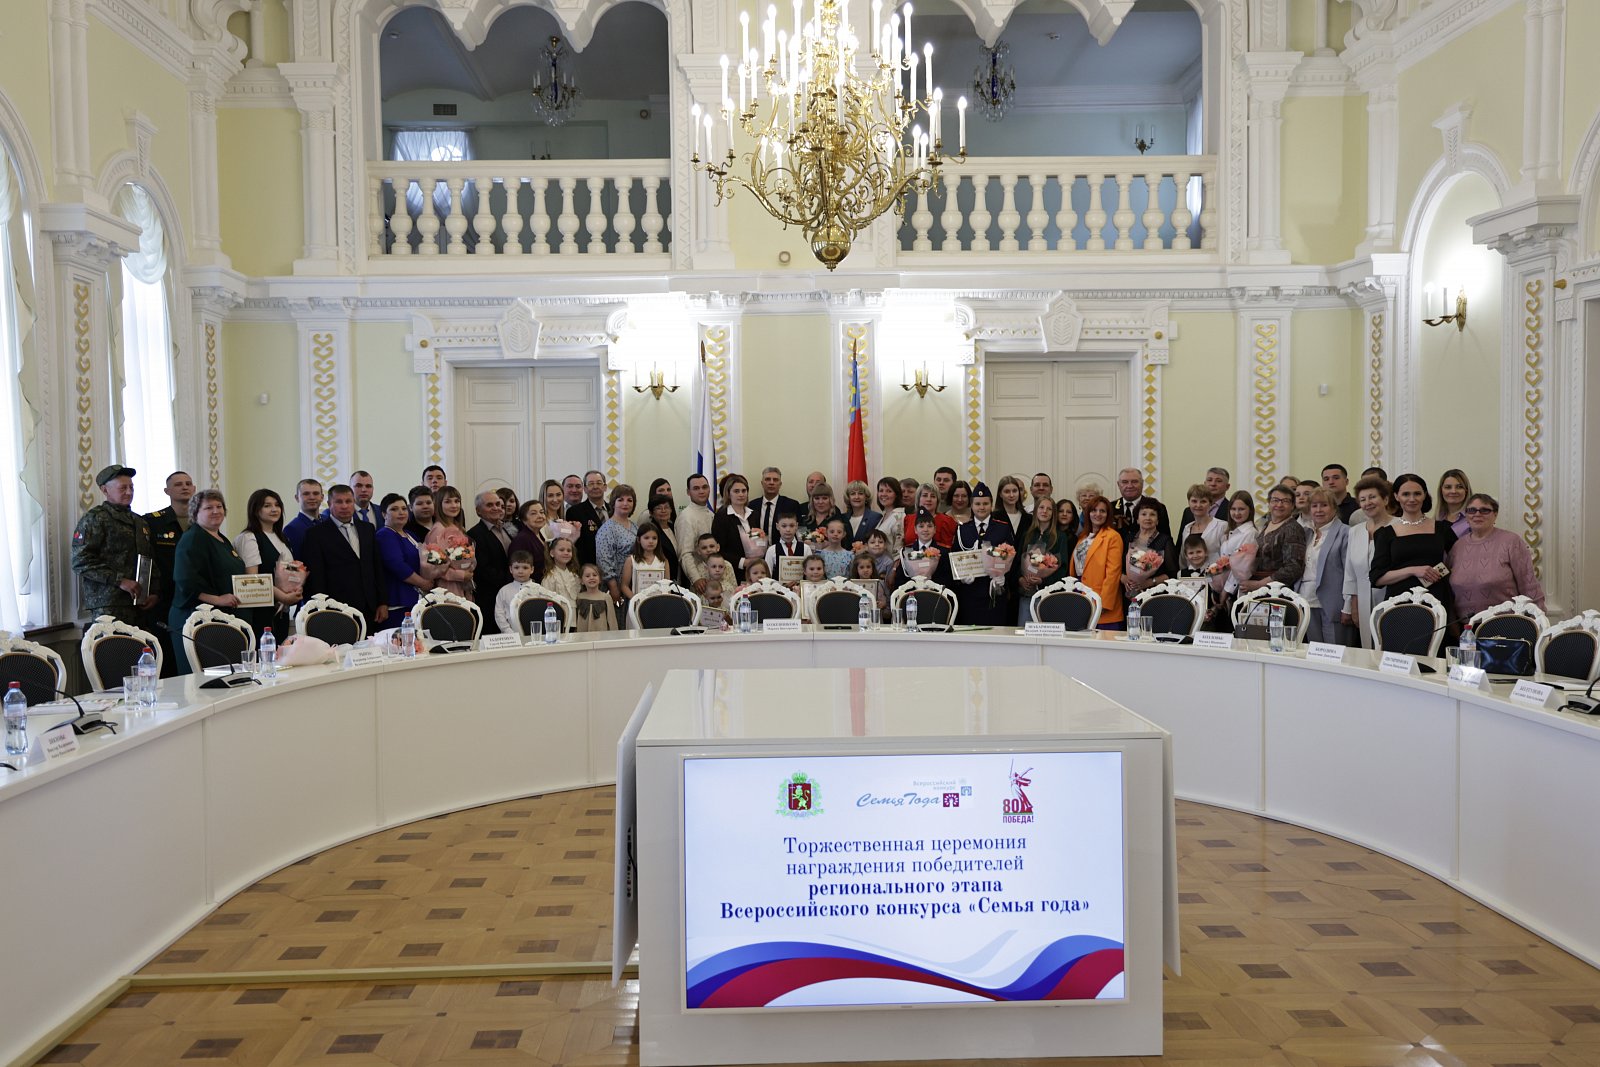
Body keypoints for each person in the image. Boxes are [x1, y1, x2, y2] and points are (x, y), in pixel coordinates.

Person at [165, 489, 247, 674]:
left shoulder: (221, 539)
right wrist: (217, 599)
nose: (216, 511)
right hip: (193, 618)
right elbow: (184, 579)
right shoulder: (193, 537)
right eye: (209, 508)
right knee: (198, 679)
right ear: (195, 513)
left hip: (218, 619)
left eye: (219, 506)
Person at [71, 464, 157, 628]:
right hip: (109, 604)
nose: (129, 492)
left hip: (139, 603)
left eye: (131, 487)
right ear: (105, 490)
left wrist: (153, 592)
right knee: (114, 645)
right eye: (123, 488)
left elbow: (150, 559)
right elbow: (80, 561)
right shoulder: (95, 519)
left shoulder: (140, 522)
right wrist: (120, 581)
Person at [1445, 493, 1545, 624]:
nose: (1477, 514)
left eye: (1485, 510)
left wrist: (1538, 621)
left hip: (1505, 625)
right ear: (1467, 516)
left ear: (1495, 514)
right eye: (1472, 510)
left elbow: (1528, 584)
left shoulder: (1511, 541)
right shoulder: (1458, 546)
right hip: (1465, 627)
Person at [299, 484, 388, 632]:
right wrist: (322, 610)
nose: (344, 506)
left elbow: (376, 567)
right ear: (329, 504)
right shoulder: (315, 534)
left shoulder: (367, 529)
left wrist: (382, 602)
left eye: (348, 501)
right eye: (339, 502)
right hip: (336, 608)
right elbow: (316, 577)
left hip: (370, 606)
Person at [1370, 472, 1456, 622]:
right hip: (1399, 602)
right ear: (1396, 496)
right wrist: (1413, 570)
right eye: (1406, 494)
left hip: (1437, 601)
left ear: (1424, 495)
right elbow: (1377, 578)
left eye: (1417, 493)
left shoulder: (1443, 528)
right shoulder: (1385, 534)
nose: (1412, 499)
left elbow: (1459, 563)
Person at [234, 488, 302, 637]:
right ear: (255, 510)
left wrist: (294, 589)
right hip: (260, 612)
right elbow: (253, 579)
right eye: (267, 505)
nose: (274, 509)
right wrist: (283, 597)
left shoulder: (282, 537)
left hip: (281, 610)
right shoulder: (249, 537)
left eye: (277, 505)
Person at [144, 470, 195, 659]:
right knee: (167, 655)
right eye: (178, 484)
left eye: (188, 484)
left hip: (195, 598)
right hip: (164, 598)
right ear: (167, 491)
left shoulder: (202, 521)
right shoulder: (153, 522)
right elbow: (146, 559)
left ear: (194, 489)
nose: (184, 487)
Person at [1341, 475, 1396, 649]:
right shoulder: (1355, 531)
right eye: (1363, 499)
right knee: (1368, 650)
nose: (1367, 503)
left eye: (1372, 497)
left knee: (1391, 647)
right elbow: (1350, 572)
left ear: (1385, 499)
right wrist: (1352, 605)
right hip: (1362, 600)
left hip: (1391, 597)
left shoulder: (1399, 526)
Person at [952, 482, 1013, 626]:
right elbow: (955, 557)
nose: (981, 507)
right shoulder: (962, 530)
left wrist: (1004, 577)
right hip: (970, 593)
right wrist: (961, 577)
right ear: (971, 506)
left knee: (996, 631)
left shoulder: (1002, 528)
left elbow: (1011, 556)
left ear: (991, 505)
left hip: (995, 591)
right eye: (978, 504)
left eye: (985, 503)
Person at [1297, 488, 1350, 645]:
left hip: (1334, 603)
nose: (1319, 510)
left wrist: (1348, 606)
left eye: (1324, 505)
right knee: (1313, 650)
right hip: (1306, 600)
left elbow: (1350, 573)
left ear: (1334, 508)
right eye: (1314, 506)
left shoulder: (1345, 532)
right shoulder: (1306, 533)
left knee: (1335, 651)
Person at [375, 492, 432, 620]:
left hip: (416, 599)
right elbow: (398, 566)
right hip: (399, 599)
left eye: (404, 509)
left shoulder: (410, 534)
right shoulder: (385, 535)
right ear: (384, 514)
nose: (401, 512)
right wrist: (423, 583)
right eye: (394, 509)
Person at [1239, 485, 1306, 593]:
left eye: (1285, 501)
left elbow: (1293, 568)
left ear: (1293, 505)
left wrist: (1260, 584)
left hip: (1277, 591)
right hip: (1257, 588)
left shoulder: (1292, 528)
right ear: (1269, 503)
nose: (1279, 505)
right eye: (1275, 500)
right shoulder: (1266, 524)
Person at [1072, 496, 1125, 629]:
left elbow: (1113, 573)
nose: (1098, 514)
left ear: (1108, 514)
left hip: (1101, 599)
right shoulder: (1083, 536)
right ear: (1088, 513)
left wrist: (1104, 603)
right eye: (1094, 510)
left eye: (1102, 511)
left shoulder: (1113, 536)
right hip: (1080, 594)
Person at [1016, 496, 1070, 625]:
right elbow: (1017, 562)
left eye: (1049, 509)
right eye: (1041, 507)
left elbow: (1063, 568)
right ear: (1035, 511)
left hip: (1049, 595)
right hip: (1027, 594)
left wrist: (1043, 581)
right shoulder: (1027, 535)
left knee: (1047, 632)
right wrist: (1020, 579)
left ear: (1053, 513)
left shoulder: (1060, 537)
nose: (1044, 511)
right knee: (1024, 631)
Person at [467, 490, 514, 634]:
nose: (496, 508)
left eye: (498, 504)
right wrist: (511, 579)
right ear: (478, 511)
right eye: (489, 505)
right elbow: (483, 569)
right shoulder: (474, 534)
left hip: (511, 594)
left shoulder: (508, 528)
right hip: (490, 597)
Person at [424, 486, 475, 598]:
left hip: (463, 586)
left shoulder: (458, 527)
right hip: (447, 588)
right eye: (448, 502)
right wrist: (461, 575)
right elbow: (435, 567)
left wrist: (469, 567)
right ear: (439, 505)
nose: (454, 505)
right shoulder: (438, 530)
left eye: (457, 501)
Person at [595, 483, 639, 614]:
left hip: (634, 583)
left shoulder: (634, 526)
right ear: (613, 503)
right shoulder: (607, 529)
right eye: (620, 500)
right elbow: (603, 561)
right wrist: (614, 587)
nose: (625, 503)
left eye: (629, 500)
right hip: (615, 585)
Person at [710, 473, 762, 578]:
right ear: (728, 494)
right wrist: (743, 562)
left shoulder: (754, 514)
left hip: (754, 570)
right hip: (732, 571)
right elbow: (719, 549)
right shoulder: (722, 516)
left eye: (744, 491)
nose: (741, 494)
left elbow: (755, 540)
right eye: (736, 491)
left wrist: (760, 540)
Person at [1121, 502, 1176, 601]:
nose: (1148, 518)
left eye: (1152, 514)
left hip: (1155, 596)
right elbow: (1119, 566)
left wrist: (1150, 582)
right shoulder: (1129, 538)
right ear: (1137, 519)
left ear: (1157, 520)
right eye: (1144, 514)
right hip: (1129, 594)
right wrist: (1123, 578)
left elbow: (1172, 574)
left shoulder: (1165, 540)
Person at [1112, 468, 1171, 541]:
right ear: (1118, 484)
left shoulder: (1158, 507)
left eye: (1134, 482)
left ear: (1142, 483)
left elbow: (1165, 538)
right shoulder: (1110, 508)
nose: (1129, 486)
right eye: (1125, 482)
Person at [621, 521, 671, 604]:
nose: (651, 541)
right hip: (638, 604)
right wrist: (636, 599)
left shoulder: (663, 561)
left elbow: (667, 586)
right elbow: (624, 586)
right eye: (646, 538)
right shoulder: (631, 560)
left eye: (654, 538)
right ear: (638, 539)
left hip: (658, 604)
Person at [674, 473, 716, 571]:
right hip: (697, 575)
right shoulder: (686, 517)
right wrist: (696, 578)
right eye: (696, 488)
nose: (701, 491)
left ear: (709, 489)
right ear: (688, 492)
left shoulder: (711, 514)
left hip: (714, 572)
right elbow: (685, 555)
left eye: (704, 487)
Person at [567, 470, 609, 566]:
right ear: (585, 489)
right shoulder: (575, 512)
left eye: (599, 483)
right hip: (587, 567)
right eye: (591, 484)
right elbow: (575, 544)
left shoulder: (614, 509)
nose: (595, 487)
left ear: (605, 487)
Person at [901, 509, 953, 587]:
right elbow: (901, 579)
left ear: (935, 529)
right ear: (915, 530)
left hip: (936, 592)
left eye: (929, 526)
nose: (925, 530)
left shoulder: (944, 552)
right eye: (921, 526)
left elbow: (948, 579)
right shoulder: (907, 551)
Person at [1176, 485, 1224, 567]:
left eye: (1203, 501)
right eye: (1194, 501)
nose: (1198, 505)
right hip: (1191, 574)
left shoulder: (1221, 526)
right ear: (1189, 502)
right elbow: (1183, 559)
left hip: (1217, 574)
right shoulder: (1187, 529)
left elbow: (1226, 556)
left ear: (1210, 503)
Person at [493, 550, 537, 636]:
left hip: (533, 634)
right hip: (509, 636)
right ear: (510, 569)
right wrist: (507, 631)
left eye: (525, 568)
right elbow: (499, 614)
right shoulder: (504, 591)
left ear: (532, 569)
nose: (520, 571)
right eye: (516, 567)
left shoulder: (538, 590)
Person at [753, 466, 801, 541]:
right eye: (767, 479)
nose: (771, 483)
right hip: (756, 547)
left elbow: (797, 532)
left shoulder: (791, 505)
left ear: (780, 484)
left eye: (775, 480)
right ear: (762, 483)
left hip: (782, 547)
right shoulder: (752, 505)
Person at [902, 483, 955, 548]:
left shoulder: (946, 521)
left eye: (933, 496)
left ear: (937, 501)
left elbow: (948, 547)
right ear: (918, 499)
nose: (929, 499)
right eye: (925, 495)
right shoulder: (908, 519)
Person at [765, 512, 812, 585]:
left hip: (801, 589)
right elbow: (767, 576)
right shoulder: (771, 550)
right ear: (777, 526)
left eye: (791, 526)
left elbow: (811, 573)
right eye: (784, 526)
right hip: (778, 590)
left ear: (796, 526)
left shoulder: (806, 548)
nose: (788, 529)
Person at [645, 494, 680, 581]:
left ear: (671, 510)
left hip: (679, 576)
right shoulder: (650, 531)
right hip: (660, 578)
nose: (663, 511)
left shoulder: (675, 527)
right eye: (659, 508)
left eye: (666, 507)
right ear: (651, 512)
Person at [283, 478, 323, 555]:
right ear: (297, 498)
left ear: (322, 497)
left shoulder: (328, 520)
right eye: (306, 494)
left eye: (316, 493)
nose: (312, 497)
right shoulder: (291, 529)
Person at [573, 563, 617, 633]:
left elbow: (612, 620)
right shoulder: (579, 597)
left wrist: (614, 634)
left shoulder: (606, 597)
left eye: (595, 575)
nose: (591, 578)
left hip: (601, 636)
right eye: (587, 576)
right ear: (581, 581)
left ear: (600, 579)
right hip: (582, 636)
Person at [850, 552, 890, 621]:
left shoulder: (880, 583)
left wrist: (883, 604)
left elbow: (887, 602)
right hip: (857, 619)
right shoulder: (851, 585)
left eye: (868, 567)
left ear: (873, 568)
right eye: (862, 567)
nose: (865, 570)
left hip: (876, 619)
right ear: (856, 569)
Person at [541, 538, 582, 604]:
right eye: (561, 550)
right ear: (552, 553)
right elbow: (546, 601)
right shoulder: (550, 578)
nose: (566, 553)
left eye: (569, 550)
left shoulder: (575, 576)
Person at [841, 480, 880, 544]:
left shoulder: (875, 518)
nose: (857, 497)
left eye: (860, 493)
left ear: (866, 497)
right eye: (853, 494)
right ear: (848, 497)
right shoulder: (842, 518)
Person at [874, 476, 906, 555]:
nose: (884, 494)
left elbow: (899, 546)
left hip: (891, 561)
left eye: (889, 491)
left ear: (896, 494)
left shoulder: (899, 516)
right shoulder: (884, 515)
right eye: (881, 490)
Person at [1436, 469, 1472, 537]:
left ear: (1466, 490)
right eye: (1448, 487)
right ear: (1441, 491)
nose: (1453, 491)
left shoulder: (1474, 518)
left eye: (1459, 487)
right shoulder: (1437, 518)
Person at [995, 475, 1029, 540]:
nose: (1011, 495)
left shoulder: (1028, 518)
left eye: (1014, 491)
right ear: (1000, 494)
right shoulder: (994, 517)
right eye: (1007, 491)